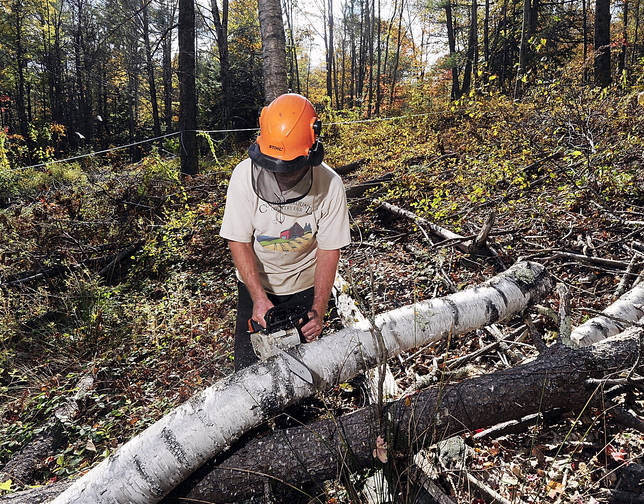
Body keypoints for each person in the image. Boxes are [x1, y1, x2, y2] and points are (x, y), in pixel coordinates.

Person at [220, 93, 351, 371]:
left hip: (305, 286)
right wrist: (258, 298)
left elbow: (329, 249)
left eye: (290, 171)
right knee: (249, 370)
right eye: (275, 170)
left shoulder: (330, 185)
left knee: (303, 371)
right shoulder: (244, 176)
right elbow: (238, 240)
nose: (282, 178)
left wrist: (319, 308)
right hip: (256, 283)